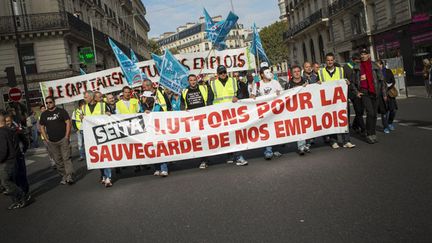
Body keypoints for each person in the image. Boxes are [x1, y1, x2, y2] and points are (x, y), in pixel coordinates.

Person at [210, 65, 248, 166]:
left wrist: (237, 97)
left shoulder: (233, 81)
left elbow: (241, 93)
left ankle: (239, 156)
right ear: (217, 74)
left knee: (235, 134)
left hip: (232, 112)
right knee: (225, 135)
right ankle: (229, 155)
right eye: (220, 73)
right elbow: (210, 99)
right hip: (220, 114)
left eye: (224, 72)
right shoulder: (213, 83)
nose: (223, 74)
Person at [318, 53, 355, 149]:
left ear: (334, 60)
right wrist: (318, 83)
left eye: (331, 60)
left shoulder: (341, 70)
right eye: (328, 60)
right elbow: (318, 86)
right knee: (331, 120)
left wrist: (347, 82)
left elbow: (345, 80)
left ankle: (346, 141)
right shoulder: (321, 72)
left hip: (340, 100)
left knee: (343, 120)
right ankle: (333, 141)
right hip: (328, 101)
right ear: (325, 61)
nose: (330, 62)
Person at [350, 48, 386, 144]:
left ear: (369, 55)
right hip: (364, 92)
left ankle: (373, 133)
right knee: (370, 113)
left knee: (374, 114)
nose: (363, 56)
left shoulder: (375, 65)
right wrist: (356, 92)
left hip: (375, 92)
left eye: (365, 54)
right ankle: (369, 134)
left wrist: (384, 94)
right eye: (361, 54)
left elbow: (381, 80)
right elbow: (352, 82)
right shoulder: (357, 67)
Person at [181, 74, 214, 169]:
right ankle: (202, 158)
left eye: (194, 80)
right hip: (191, 120)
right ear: (188, 81)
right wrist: (183, 111)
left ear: (196, 80)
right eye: (191, 80)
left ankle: (205, 159)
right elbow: (182, 104)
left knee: (204, 138)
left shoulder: (203, 87)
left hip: (203, 118)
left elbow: (210, 98)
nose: (193, 82)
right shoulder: (184, 91)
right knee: (197, 139)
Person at [39, 96, 74, 185]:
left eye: (50, 102)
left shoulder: (61, 111)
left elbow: (68, 123)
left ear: (54, 102)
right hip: (52, 142)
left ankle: (69, 176)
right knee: (58, 161)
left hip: (63, 139)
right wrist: (46, 139)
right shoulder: (44, 114)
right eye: (46, 103)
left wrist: (67, 136)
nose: (48, 104)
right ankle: (64, 175)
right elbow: (41, 127)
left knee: (66, 158)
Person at [250, 66, 283, 159]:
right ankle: (268, 151)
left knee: (276, 130)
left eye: (269, 72)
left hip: (275, 110)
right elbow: (252, 95)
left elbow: (283, 93)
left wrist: (279, 93)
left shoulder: (275, 82)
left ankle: (276, 149)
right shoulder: (258, 84)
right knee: (267, 131)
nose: (269, 74)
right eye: (266, 72)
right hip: (264, 112)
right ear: (261, 75)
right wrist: (252, 97)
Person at [141, 80, 172, 176]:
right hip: (149, 124)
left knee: (160, 145)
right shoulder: (143, 95)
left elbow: (167, 105)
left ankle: (164, 168)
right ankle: (157, 167)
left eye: (144, 87)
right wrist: (144, 110)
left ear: (149, 86)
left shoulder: (160, 91)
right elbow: (142, 108)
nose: (143, 88)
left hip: (160, 122)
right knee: (152, 145)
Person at [82, 91, 113, 187]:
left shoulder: (102, 105)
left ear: (91, 97)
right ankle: (103, 175)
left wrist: (109, 113)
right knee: (98, 157)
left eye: (86, 97)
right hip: (91, 136)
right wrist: (81, 118)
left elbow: (111, 115)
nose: (84, 98)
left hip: (103, 134)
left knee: (105, 155)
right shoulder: (83, 107)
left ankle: (108, 177)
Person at [0, 113, 28, 210]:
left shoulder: (4, 132)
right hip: (13, 159)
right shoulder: (10, 130)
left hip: (8, 161)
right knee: (12, 181)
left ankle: (22, 195)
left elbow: (3, 149)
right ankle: (16, 201)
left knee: (6, 182)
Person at [284, 65, 311, 155]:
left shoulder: (307, 82)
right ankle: (301, 146)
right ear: (292, 73)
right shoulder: (288, 85)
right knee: (299, 128)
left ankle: (307, 144)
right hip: (295, 110)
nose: (297, 73)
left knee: (308, 127)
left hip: (307, 108)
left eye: (298, 71)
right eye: (294, 71)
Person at [344, 53, 364, 134]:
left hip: (360, 90)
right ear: (352, 60)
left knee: (361, 111)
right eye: (356, 61)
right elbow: (343, 78)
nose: (358, 63)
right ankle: (363, 129)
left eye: (359, 61)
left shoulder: (360, 66)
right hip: (351, 91)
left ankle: (355, 124)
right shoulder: (346, 67)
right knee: (358, 110)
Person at [377, 60, 398, 133]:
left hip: (389, 93)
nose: (377, 66)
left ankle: (390, 122)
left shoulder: (388, 71)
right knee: (384, 112)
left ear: (381, 64)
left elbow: (393, 81)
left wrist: (388, 86)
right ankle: (385, 127)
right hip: (381, 94)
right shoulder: (375, 73)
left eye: (378, 65)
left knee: (393, 110)